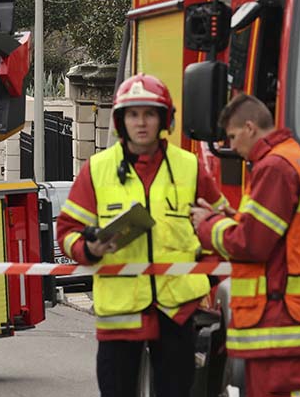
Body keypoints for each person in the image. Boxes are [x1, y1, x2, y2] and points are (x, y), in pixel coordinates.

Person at [56, 73, 227, 397]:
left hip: (176, 313)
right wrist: (89, 249)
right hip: (120, 314)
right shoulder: (96, 168)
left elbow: (220, 227)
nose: (142, 122)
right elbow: (66, 231)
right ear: (121, 120)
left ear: (163, 118)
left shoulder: (190, 168)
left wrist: (206, 280)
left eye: (149, 113)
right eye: (133, 114)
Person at [190, 95, 300, 397]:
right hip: (287, 319)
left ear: (250, 127)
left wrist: (207, 225)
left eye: (233, 137)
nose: (232, 147)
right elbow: (273, 235)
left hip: (274, 321)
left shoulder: (273, 167)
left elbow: (251, 244)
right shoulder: (292, 158)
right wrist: (233, 218)